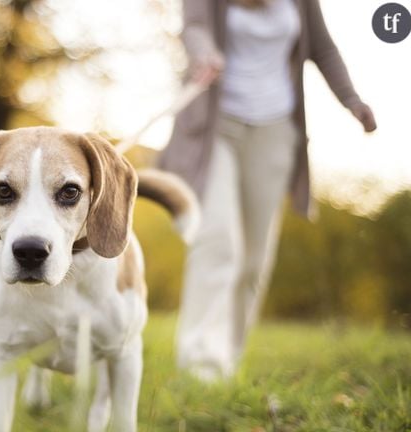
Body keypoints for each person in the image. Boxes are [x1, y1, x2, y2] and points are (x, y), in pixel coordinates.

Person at [158, 0, 377, 381]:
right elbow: (194, 26)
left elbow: (323, 48)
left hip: (275, 131)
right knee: (218, 240)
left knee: (254, 259)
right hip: (216, 126)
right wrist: (204, 51)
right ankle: (198, 364)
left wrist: (351, 100)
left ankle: (227, 360)